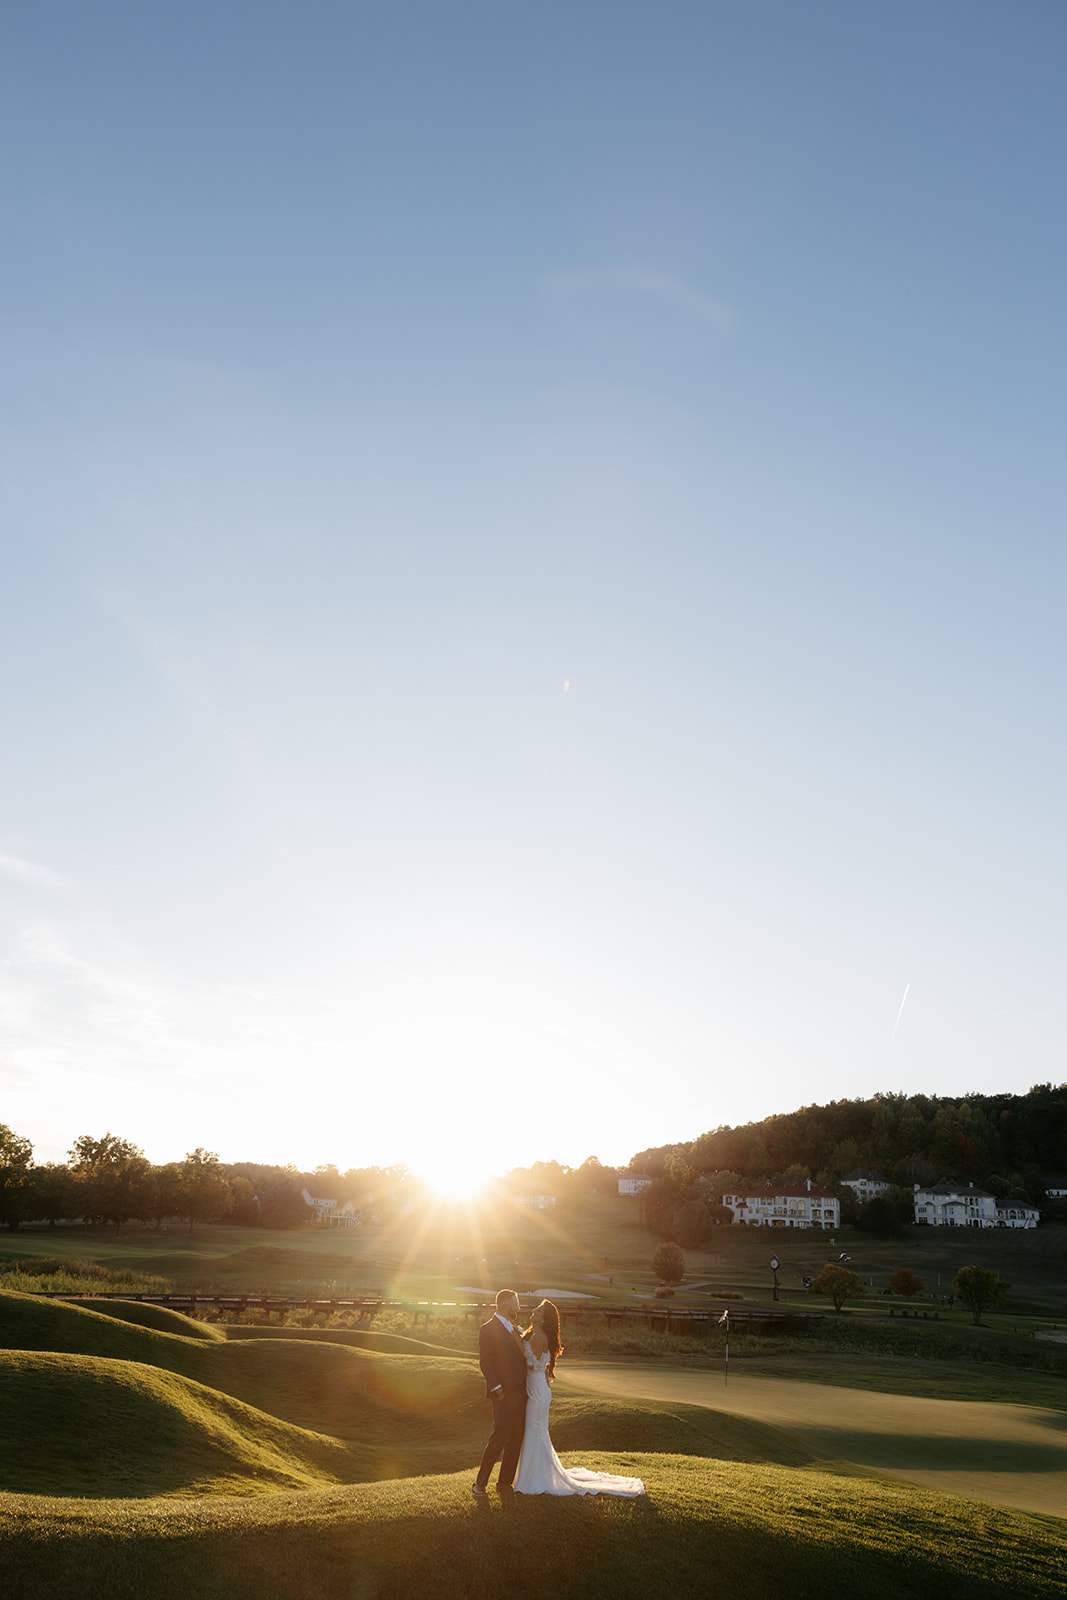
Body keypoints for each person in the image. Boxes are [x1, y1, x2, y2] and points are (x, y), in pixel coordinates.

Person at [513, 1300, 645, 1497]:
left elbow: (531, 1363)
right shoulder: (534, 1333)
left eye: (539, 1310)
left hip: (538, 1392)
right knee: (535, 1431)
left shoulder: (539, 1336)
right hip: (537, 1388)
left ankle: (534, 1479)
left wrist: (516, 1342)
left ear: (544, 1318)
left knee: (535, 1432)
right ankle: (530, 1475)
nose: (534, 1311)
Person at [472, 1288, 528, 1496]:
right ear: (505, 1305)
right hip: (503, 1393)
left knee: (516, 1437)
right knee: (499, 1437)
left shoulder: (514, 1329)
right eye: (515, 1303)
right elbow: (485, 1361)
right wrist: (497, 1389)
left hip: (521, 1393)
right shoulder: (488, 1329)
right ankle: (480, 1484)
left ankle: (504, 1483)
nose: (518, 1307)